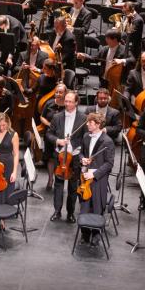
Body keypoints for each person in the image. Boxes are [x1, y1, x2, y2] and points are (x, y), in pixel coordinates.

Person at [47, 91, 86, 223]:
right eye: (66, 101)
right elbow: (49, 134)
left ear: (76, 103)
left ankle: (70, 213)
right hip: (60, 156)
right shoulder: (57, 117)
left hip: (74, 156)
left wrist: (75, 146)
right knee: (58, 185)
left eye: (70, 101)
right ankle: (57, 211)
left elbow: (85, 138)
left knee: (72, 187)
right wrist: (58, 141)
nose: (67, 104)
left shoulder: (83, 118)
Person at [77, 112, 116, 244]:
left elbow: (109, 164)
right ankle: (85, 233)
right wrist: (83, 159)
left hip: (98, 179)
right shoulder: (86, 136)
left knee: (97, 206)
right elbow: (81, 152)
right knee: (84, 205)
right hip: (85, 178)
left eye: (90, 123)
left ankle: (96, 233)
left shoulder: (107, 141)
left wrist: (94, 174)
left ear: (98, 124)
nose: (87, 124)